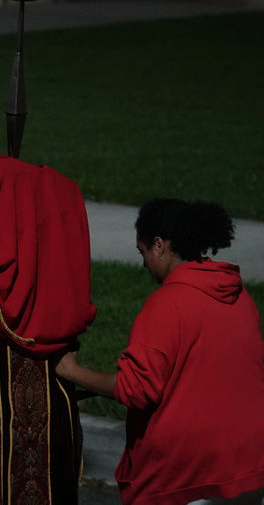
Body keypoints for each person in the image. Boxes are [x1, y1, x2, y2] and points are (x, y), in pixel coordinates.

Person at [54, 199, 264, 505]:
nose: (143, 264)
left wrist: (71, 371)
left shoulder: (167, 304)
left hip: (190, 479)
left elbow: (135, 390)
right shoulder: (238, 293)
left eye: (143, 253)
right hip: (250, 466)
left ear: (159, 245)